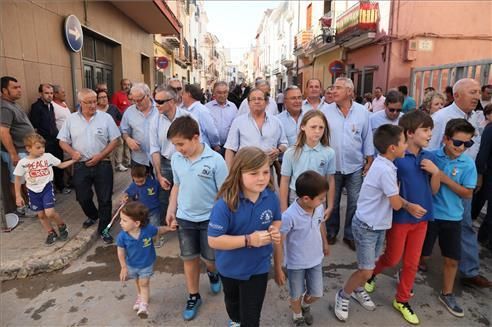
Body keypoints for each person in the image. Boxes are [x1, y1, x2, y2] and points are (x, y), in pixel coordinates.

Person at [334, 124, 423, 322]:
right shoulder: (385, 170)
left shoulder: (386, 165)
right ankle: (343, 295)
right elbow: (396, 204)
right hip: (367, 227)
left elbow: (395, 200)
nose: (406, 146)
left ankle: (358, 288)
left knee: (370, 265)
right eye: (403, 142)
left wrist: (404, 201)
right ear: (393, 148)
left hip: (377, 225)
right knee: (366, 270)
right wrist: (408, 205)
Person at [364, 110, 440, 324]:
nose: (429, 134)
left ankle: (402, 299)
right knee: (392, 257)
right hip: (400, 218)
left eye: (430, 130)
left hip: (422, 219)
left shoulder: (429, 157)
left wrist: (435, 173)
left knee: (412, 262)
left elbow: (434, 191)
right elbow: (389, 190)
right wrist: (405, 206)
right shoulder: (397, 158)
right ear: (410, 133)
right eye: (425, 130)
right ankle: (371, 274)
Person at [427, 78, 492, 288]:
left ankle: (468, 270)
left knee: (463, 225)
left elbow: (475, 149)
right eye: (472, 92)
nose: (476, 96)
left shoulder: (476, 117)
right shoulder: (441, 118)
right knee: (433, 224)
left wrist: (478, 175)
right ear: (456, 95)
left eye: (477, 92)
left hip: (465, 179)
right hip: (440, 183)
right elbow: (429, 151)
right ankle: (418, 260)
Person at [208, 147, 282, 327]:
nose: (262, 178)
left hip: (258, 268)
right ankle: (235, 320)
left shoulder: (271, 197)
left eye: (265, 172)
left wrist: (273, 229)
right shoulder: (225, 204)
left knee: (251, 318)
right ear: (238, 173)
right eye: (254, 173)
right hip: (229, 268)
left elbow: (277, 219)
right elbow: (213, 240)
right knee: (233, 306)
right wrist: (249, 240)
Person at [165, 116, 227, 321]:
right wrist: (171, 209)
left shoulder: (215, 160)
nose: (178, 149)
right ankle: (194, 295)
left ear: (196, 137)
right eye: (175, 145)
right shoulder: (176, 159)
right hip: (185, 218)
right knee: (189, 258)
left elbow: (223, 194)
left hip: (210, 219)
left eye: (181, 144)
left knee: (210, 258)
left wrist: (224, 221)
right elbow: (177, 185)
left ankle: (213, 272)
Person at [421, 118, 477, 317]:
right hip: (430, 216)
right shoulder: (431, 156)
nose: (462, 147)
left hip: (453, 218)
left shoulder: (468, 164)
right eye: (457, 142)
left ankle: (447, 293)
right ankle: (408, 276)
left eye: (467, 143)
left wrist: (444, 179)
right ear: (445, 139)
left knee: (452, 259)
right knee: (423, 255)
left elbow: (468, 193)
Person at [58, 88, 121, 244]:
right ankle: (93, 215)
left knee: (105, 199)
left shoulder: (105, 118)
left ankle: (104, 229)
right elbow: (62, 141)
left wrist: (100, 155)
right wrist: (72, 152)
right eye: (89, 102)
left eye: (95, 101)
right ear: (81, 103)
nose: (93, 105)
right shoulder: (71, 119)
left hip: (103, 164)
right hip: (80, 165)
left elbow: (115, 140)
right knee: (82, 196)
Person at [321, 77, 374, 250]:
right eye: (333, 87)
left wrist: (369, 159)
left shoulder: (362, 112)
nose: (333, 91)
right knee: (332, 202)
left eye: (338, 88)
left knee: (355, 202)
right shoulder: (325, 111)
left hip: (355, 166)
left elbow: (367, 137)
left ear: (349, 92)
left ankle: (350, 234)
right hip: (332, 166)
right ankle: (331, 231)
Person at [277, 171, 330, 326]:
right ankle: (297, 315)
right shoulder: (289, 216)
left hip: (315, 260)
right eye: (321, 198)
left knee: (317, 293)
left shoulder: (318, 207)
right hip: (296, 264)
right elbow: (280, 241)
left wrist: (325, 243)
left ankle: (305, 305)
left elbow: (320, 224)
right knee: (295, 294)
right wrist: (279, 267)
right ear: (306, 199)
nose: (323, 201)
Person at [116, 201, 176, 318]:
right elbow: (120, 252)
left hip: (146, 263)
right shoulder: (122, 236)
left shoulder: (147, 230)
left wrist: (169, 228)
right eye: (121, 219)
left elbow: (158, 230)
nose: (121, 223)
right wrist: (123, 267)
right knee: (137, 281)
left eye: (124, 220)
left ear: (137, 223)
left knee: (144, 282)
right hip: (132, 264)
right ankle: (140, 296)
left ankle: (144, 306)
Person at [13, 133, 76, 245]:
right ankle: (51, 232)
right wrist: (18, 195)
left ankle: (61, 225)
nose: (42, 150)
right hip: (32, 191)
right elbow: (17, 179)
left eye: (43, 147)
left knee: (50, 212)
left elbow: (60, 165)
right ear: (28, 148)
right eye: (38, 147)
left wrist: (74, 160)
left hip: (46, 187)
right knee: (41, 215)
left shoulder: (47, 157)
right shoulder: (23, 163)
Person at [279, 110, 335, 214]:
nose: (317, 131)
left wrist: (330, 206)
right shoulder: (291, 153)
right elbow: (285, 180)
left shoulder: (329, 153)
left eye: (321, 127)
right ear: (303, 127)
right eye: (313, 127)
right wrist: (283, 208)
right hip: (296, 197)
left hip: (319, 197)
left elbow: (330, 180)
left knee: (317, 228)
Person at [224, 88, 288, 168]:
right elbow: (230, 149)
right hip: (245, 170)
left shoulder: (276, 122)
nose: (257, 101)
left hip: (268, 171)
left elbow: (284, 143)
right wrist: (230, 174)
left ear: (266, 102)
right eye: (253, 99)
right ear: (248, 103)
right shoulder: (238, 122)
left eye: (260, 99)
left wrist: (278, 151)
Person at [0, 76, 36, 217]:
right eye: (15, 88)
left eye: (19, 86)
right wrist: (13, 154)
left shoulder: (13, 104)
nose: (19, 90)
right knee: (16, 181)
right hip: (17, 152)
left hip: (24, 150)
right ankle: (21, 208)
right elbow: (3, 132)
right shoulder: (4, 107)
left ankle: (30, 205)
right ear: (4, 90)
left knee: (25, 181)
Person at [30, 84, 68, 194]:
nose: (49, 95)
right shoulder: (36, 107)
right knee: (46, 167)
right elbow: (35, 126)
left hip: (56, 140)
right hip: (45, 142)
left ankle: (61, 186)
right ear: (41, 93)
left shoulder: (51, 106)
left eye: (51, 93)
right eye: (46, 93)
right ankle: (49, 191)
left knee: (58, 163)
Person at [121, 165, 162, 246]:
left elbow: (161, 190)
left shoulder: (153, 183)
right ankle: (145, 240)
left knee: (155, 226)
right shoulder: (133, 185)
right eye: (136, 181)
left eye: (141, 181)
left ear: (146, 176)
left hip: (154, 210)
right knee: (143, 227)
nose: (139, 184)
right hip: (141, 212)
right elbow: (127, 192)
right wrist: (124, 196)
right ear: (133, 178)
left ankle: (156, 240)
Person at [121, 83, 159, 170]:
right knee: (139, 184)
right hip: (138, 159)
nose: (136, 103)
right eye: (133, 100)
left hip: (159, 159)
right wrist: (128, 139)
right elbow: (124, 130)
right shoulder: (129, 112)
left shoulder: (159, 109)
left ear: (148, 95)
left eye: (139, 100)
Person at [474, 104, 492, 251]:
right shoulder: (490, 129)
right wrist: (480, 174)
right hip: (488, 174)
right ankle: (484, 238)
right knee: (480, 204)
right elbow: (483, 153)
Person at [181, 84, 221, 151]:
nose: (181, 96)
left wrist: (215, 144)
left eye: (183, 93)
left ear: (189, 94)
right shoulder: (184, 110)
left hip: (202, 150)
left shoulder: (201, 110)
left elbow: (211, 130)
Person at [205, 81, 238, 155]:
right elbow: (205, 128)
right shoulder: (207, 108)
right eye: (219, 92)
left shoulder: (233, 107)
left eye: (225, 92)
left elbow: (236, 127)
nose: (222, 95)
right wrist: (215, 145)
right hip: (210, 148)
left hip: (229, 148)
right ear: (214, 93)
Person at [111, 78, 132, 170]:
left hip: (129, 124)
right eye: (125, 84)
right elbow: (113, 110)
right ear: (121, 85)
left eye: (128, 84)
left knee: (127, 143)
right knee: (120, 144)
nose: (126, 86)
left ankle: (127, 162)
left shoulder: (130, 96)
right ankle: (118, 164)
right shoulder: (117, 95)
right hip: (119, 124)